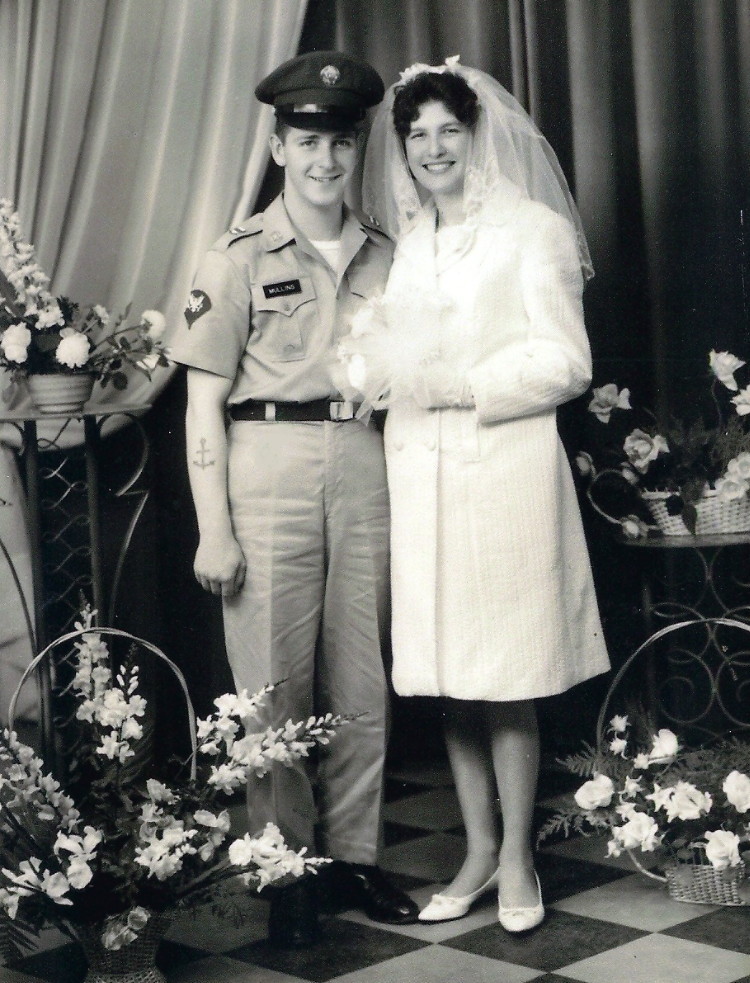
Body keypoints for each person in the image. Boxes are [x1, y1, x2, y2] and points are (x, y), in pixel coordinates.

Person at [339, 57, 610, 933]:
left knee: (507, 675)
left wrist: (466, 385)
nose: (431, 147)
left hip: (505, 477)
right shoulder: (409, 243)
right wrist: (369, 372)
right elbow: (390, 344)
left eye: (447, 129)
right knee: (448, 677)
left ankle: (523, 855)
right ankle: (479, 848)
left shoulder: (532, 230)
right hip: (423, 479)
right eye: (415, 134)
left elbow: (568, 361)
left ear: (476, 132)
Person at [169, 50, 419, 948]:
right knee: (271, 681)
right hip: (263, 458)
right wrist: (213, 529)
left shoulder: (389, 254)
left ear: (359, 150)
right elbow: (202, 400)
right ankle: (286, 866)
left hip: (362, 457)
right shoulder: (235, 257)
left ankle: (354, 853)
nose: (325, 161)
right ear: (278, 146)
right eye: (308, 141)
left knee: (360, 674)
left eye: (341, 143)